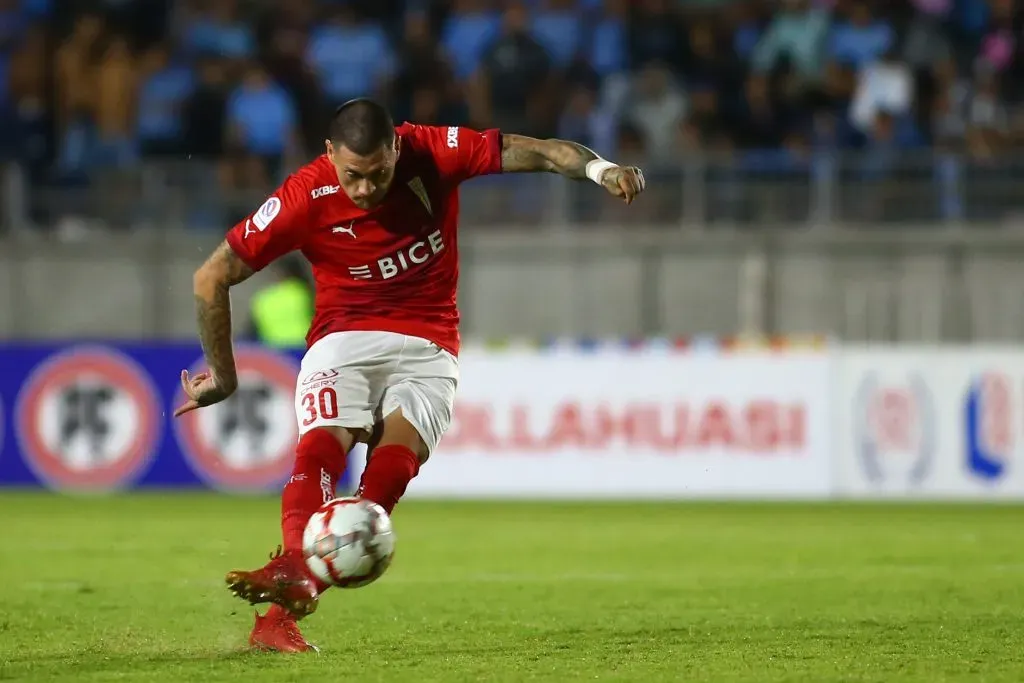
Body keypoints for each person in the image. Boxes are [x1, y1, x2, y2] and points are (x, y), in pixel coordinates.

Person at [172, 99, 646, 653]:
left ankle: (290, 589)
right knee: (323, 444)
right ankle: (296, 572)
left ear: (397, 146)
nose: (366, 189)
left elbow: (539, 152)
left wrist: (600, 169)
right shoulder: (304, 195)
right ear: (329, 155)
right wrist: (225, 379)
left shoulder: (435, 151)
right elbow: (211, 278)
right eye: (353, 175)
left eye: (378, 174)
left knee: (395, 459)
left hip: (428, 342)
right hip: (343, 337)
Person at [246, 256, 314, 347]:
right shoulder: (304, 292)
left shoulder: (263, 298)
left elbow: (251, 331)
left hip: (275, 352)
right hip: (303, 347)